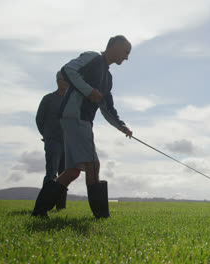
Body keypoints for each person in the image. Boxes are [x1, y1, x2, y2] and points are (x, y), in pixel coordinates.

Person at [32, 35, 133, 218]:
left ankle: (40, 211)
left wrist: (121, 126)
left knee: (72, 170)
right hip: (75, 116)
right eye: (126, 52)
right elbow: (67, 70)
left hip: (83, 120)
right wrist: (88, 91)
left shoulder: (108, 79)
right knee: (93, 165)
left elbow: (107, 107)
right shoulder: (92, 57)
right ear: (115, 45)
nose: (127, 57)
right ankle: (101, 217)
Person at [35, 71, 69, 210]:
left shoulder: (71, 101)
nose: (64, 82)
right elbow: (39, 119)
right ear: (57, 81)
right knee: (51, 173)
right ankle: (43, 206)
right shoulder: (48, 99)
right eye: (62, 80)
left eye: (67, 80)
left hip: (67, 142)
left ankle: (61, 206)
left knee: (65, 174)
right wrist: (47, 135)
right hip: (52, 140)